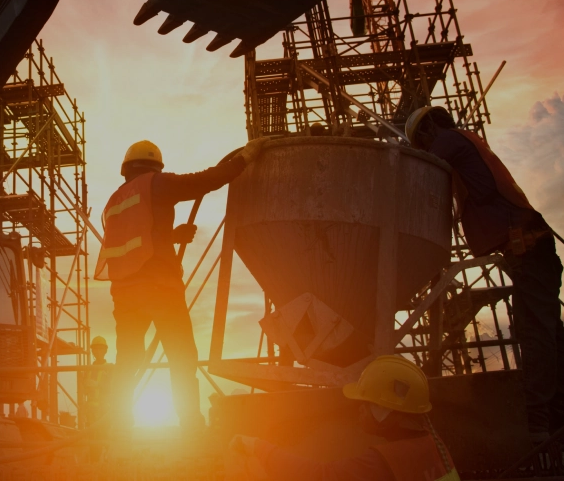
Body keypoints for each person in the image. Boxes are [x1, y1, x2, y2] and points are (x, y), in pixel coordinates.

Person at [405, 106, 564, 443]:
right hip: (529, 251)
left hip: (528, 248)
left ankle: (537, 423)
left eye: (422, 143)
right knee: (549, 333)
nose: (425, 150)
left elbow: (420, 168)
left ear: (429, 129)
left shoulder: (449, 142)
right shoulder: (464, 146)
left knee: (534, 331)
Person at [95, 138, 266, 431]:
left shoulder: (114, 201)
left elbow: (134, 239)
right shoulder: (156, 184)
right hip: (159, 288)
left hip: (125, 294)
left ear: (126, 170)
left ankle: (117, 426)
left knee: (128, 361)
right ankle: (191, 426)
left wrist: (171, 236)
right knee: (182, 357)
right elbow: (205, 181)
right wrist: (244, 159)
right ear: (155, 167)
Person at [230, 356, 460, 481]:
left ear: (386, 409)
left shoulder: (385, 461)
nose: (358, 411)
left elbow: (321, 476)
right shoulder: (434, 445)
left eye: (364, 404)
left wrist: (259, 447)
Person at [85, 335, 111, 426]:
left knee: (103, 434)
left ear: (105, 351)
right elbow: (83, 390)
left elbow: (114, 387)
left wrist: (98, 384)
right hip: (90, 408)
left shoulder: (110, 368)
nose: (98, 352)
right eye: (95, 349)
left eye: (100, 349)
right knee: (91, 435)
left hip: (104, 408)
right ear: (92, 351)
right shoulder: (88, 369)